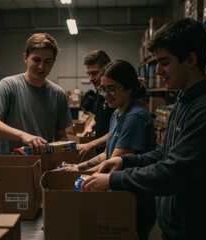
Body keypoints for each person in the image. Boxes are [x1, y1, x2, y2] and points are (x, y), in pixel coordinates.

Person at [82, 18, 206, 240]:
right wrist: (124, 161)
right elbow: (163, 153)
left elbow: (174, 172)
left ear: (191, 60)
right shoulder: (185, 100)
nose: (158, 71)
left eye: (164, 62)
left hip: (201, 231)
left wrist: (114, 180)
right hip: (179, 226)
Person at [58, 60, 157, 240]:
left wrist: (80, 172)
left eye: (111, 89)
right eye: (102, 89)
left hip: (133, 203)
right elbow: (108, 154)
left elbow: (113, 164)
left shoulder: (134, 117)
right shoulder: (117, 112)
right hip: (117, 196)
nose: (105, 95)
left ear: (128, 88)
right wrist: (78, 168)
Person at [0, 33, 72, 155]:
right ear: (25, 57)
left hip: (43, 166)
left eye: (47, 61)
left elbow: (61, 136)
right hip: (9, 166)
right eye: (36, 60)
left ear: (53, 62)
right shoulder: (9, 85)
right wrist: (23, 136)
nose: (41, 66)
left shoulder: (58, 94)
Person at [77, 50, 115, 158]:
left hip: (115, 153)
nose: (91, 78)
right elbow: (98, 116)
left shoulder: (117, 97)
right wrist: (90, 126)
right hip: (102, 152)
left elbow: (119, 131)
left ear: (107, 69)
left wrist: (91, 145)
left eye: (94, 73)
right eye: (88, 74)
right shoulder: (100, 91)